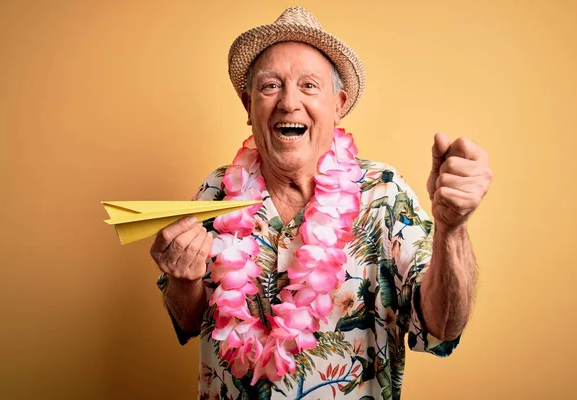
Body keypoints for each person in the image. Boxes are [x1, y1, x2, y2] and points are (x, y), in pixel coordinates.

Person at [151, 6, 493, 400]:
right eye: (269, 86)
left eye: (309, 86)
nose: (288, 102)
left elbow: (442, 327)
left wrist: (452, 229)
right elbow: (187, 319)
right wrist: (182, 279)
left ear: (339, 104)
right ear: (249, 106)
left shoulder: (384, 194)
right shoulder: (215, 193)